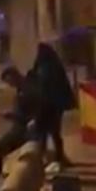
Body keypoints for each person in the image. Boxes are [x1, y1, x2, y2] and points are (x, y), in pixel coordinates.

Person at [31, 43, 77, 172]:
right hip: (54, 106)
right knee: (52, 133)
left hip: (49, 105)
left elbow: (43, 87)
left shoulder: (46, 68)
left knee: (46, 133)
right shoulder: (53, 66)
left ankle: (48, 158)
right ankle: (55, 157)